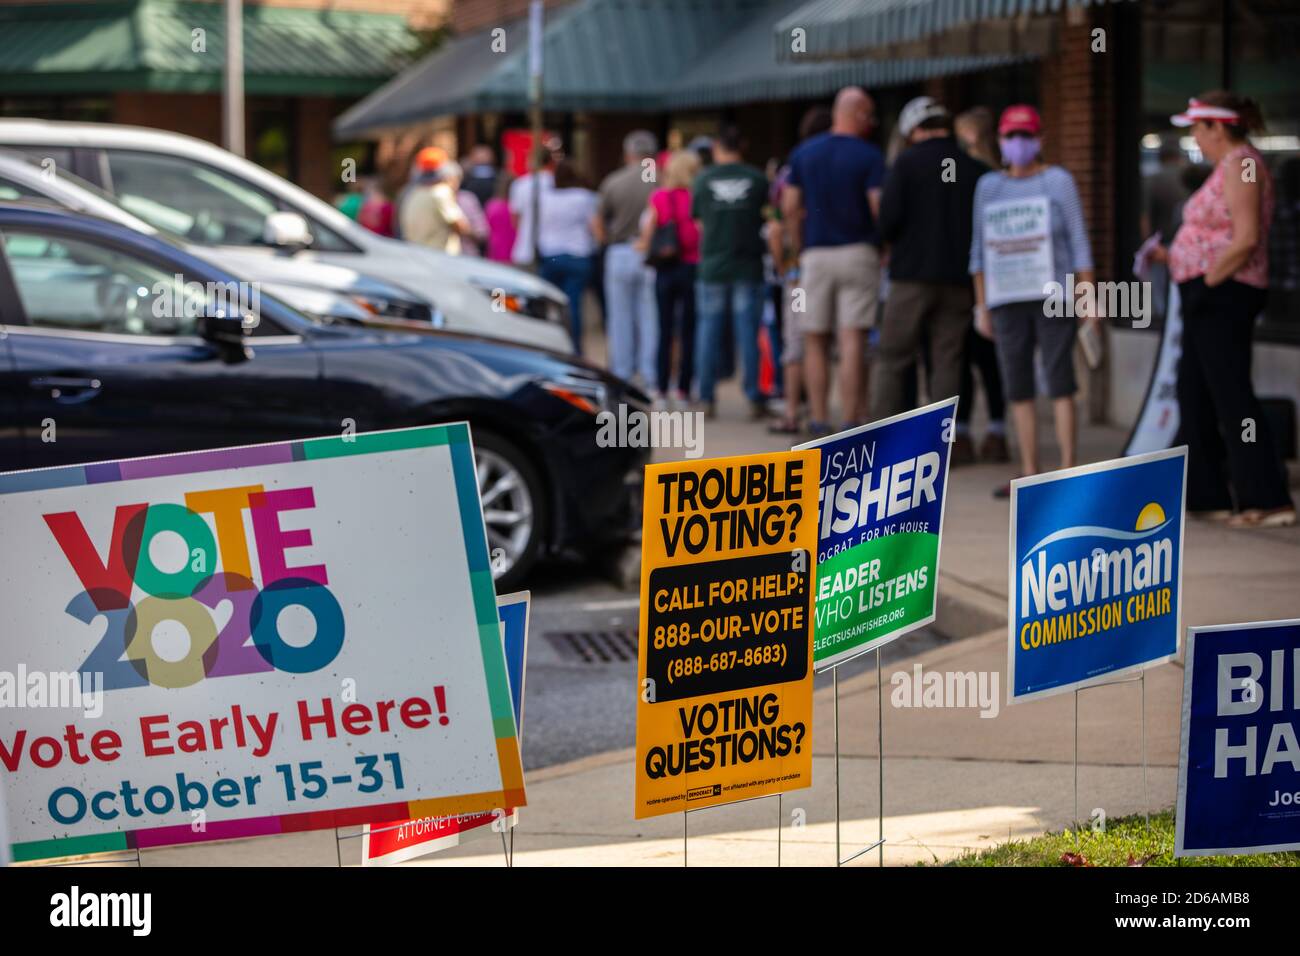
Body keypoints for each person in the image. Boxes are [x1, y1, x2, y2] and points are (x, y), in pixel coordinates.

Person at [1156, 92, 1294, 527]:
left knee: (1231, 393)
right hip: (1208, 289)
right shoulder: (1226, 167)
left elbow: (1247, 236)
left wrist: (1208, 280)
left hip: (1225, 292)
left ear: (1219, 127)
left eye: (1198, 128)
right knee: (1193, 392)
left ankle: (1267, 498)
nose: (1195, 136)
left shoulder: (1243, 164)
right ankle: (1206, 494)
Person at [970, 105, 1096, 497]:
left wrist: (1087, 295)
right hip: (1007, 300)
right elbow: (979, 251)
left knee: (1061, 381)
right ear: (1001, 142)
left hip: (1052, 295)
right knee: (1017, 386)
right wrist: (982, 304)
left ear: (1039, 140)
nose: (1018, 144)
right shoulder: (989, 187)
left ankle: (1069, 470)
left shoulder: (1058, 181)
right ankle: (1029, 471)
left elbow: (1079, 241)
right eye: (1011, 136)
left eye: (1025, 136)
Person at [873, 97, 988, 433]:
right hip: (959, 279)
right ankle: (939, 444)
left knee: (893, 358)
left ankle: (878, 442)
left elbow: (887, 222)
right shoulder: (974, 168)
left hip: (911, 277)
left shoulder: (905, 164)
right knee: (947, 363)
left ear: (915, 131)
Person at [782, 87, 886, 434]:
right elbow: (878, 208)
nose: (871, 122)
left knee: (814, 338)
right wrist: (883, 246)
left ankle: (818, 418)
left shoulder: (803, 154)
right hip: (859, 252)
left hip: (816, 255)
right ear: (857, 114)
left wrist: (799, 248)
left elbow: (790, 207)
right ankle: (852, 419)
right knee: (852, 338)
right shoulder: (870, 156)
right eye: (868, 115)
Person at [692, 125, 771, 420]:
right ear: (744, 144)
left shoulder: (702, 180)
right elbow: (768, 219)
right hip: (748, 266)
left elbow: (698, 222)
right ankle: (754, 398)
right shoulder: (757, 179)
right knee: (748, 333)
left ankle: (706, 398)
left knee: (708, 333)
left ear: (716, 146)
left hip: (712, 266)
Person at [768, 106, 831, 435]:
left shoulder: (791, 172)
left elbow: (777, 227)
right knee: (849, 340)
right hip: (838, 262)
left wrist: (784, 264)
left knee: (797, 343)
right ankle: (854, 414)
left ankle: (793, 413)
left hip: (798, 273)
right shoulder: (845, 163)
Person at [953, 106, 1009, 462]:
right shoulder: (979, 175)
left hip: (989, 279)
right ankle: (986, 431)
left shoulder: (991, 178)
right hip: (978, 278)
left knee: (979, 359)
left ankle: (989, 432)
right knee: (979, 360)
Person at [593, 131, 659, 389]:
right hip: (651, 254)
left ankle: (622, 374)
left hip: (619, 251)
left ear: (628, 153)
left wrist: (605, 241)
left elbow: (597, 220)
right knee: (649, 317)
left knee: (620, 317)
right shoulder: (659, 180)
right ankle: (650, 374)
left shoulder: (614, 181)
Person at [639, 149, 702, 405]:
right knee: (688, 330)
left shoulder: (658, 197)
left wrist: (644, 247)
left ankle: (661, 389)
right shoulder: (697, 197)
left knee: (664, 329)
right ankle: (684, 389)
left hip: (665, 268)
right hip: (691, 266)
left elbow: (648, 234)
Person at [538, 161, 600, 354]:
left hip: (551, 255)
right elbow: (595, 227)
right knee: (573, 305)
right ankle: (575, 350)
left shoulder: (545, 198)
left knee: (550, 305)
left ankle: (552, 347)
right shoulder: (584, 197)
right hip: (577, 255)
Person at [399, 147, 471, 254]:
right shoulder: (440, 192)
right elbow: (459, 225)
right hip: (438, 257)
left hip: (417, 254)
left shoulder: (410, 193)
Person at [509, 145, 556, 266]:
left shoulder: (520, 184)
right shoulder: (556, 182)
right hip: (554, 250)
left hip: (526, 249)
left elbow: (516, 219)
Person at [442, 161, 489, 256]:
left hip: (467, 256)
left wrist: (465, 230)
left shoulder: (468, 199)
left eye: (450, 180)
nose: (447, 184)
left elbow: (483, 232)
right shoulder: (436, 198)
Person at [485, 174, 517, 263]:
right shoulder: (515, 207)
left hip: (495, 246)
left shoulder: (492, 205)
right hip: (513, 246)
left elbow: (487, 225)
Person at [461, 145, 499, 210]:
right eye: (479, 155)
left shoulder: (498, 176)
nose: (482, 158)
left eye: (484, 155)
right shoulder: (466, 176)